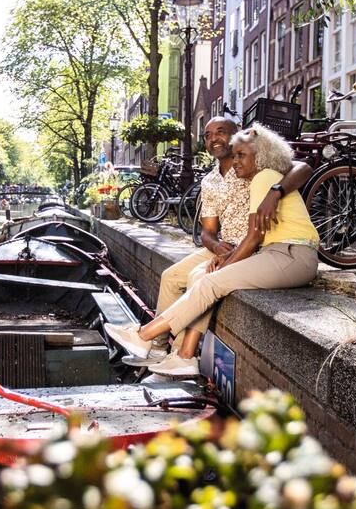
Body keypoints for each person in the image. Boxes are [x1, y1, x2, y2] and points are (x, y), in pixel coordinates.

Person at [106, 125, 320, 378]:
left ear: (257, 155)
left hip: (288, 253)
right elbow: (218, 233)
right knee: (184, 278)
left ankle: (152, 339)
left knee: (207, 281)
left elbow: (253, 237)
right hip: (270, 251)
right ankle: (167, 350)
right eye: (235, 155)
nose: (236, 160)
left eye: (241, 155)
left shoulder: (266, 178)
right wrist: (222, 254)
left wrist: (224, 264)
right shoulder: (234, 179)